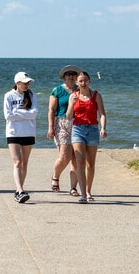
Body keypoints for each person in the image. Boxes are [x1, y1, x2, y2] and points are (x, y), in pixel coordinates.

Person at [66, 71, 107, 203]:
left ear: (89, 82)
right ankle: (83, 194)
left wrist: (103, 128)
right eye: (81, 81)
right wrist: (72, 104)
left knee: (90, 164)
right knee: (80, 162)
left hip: (93, 130)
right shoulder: (73, 96)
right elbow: (68, 116)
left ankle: (89, 191)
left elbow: (102, 113)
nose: (83, 83)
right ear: (77, 82)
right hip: (77, 129)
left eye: (86, 81)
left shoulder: (96, 95)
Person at [4, 72, 38, 203]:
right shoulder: (8, 96)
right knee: (17, 162)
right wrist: (25, 114)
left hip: (28, 132)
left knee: (24, 163)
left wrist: (17, 112)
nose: (27, 85)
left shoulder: (32, 95)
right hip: (13, 133)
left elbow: (34, 114)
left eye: (28, 83)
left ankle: (19, 190)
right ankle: (20, 190)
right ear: (17, 83)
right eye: (24, 83)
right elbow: (8, 116)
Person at [47, 64, 81, 196]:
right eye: (68, 74)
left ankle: (73, 188)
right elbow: (51, 109)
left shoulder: (79, 89)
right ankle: (55, 176)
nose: (71, 76)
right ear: (64, 76)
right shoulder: (57, 90)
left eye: (73, 74)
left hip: (78, 124)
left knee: (76, 158)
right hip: (61, 123)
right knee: (65, 156)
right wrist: (50, 127)